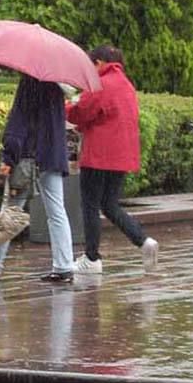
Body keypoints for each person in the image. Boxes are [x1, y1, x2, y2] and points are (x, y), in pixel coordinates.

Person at [0, 73, 75, 283]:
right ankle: (64, 265)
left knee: (11, 210)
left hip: (28, 157)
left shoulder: (30, 81)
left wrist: (8, 157)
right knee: (56, 211)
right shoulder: (57, 85)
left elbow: (19, 122)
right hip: (52, 155)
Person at [66, 45, 158, 275]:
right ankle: (143, 241)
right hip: (121, 156)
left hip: (98, 155)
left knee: (90, 205)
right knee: (109, 205)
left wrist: (66, 106)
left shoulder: (100, 84)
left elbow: (82, 112)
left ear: (98, 63)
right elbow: (106, 117)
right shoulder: (126, 85)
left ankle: (91, 258)